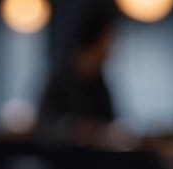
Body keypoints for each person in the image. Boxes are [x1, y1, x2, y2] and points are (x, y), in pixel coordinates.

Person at [39, 5, 117, 134]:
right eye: (108, 39)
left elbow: (109, 124)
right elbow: (45, 124)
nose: (112, 47)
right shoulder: (62, 80)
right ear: (95, 41)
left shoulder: (99, 83)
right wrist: (77, 128)